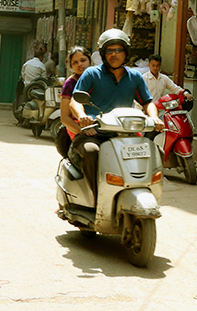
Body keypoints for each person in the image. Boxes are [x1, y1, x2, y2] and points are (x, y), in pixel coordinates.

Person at [69, 29, 163, 201]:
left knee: (155, 152)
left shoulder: (134, 76)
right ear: (103, 54)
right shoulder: (92, 74)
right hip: (94, 133)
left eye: (118, 50)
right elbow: (75, 101)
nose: (114, 54)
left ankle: (148, 193)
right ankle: (98, 198)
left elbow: (148, 102)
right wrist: (82, 116)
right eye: (109, 51)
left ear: (125, 53)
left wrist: (154, 117)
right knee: (91, 151)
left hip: (125, 134)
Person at [58, 46, 92, 157]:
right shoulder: (70, 84)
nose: (80, 65)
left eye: (83, 60)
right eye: (75, 63)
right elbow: (65, 118)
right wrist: (82, 130)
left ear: (89, 61)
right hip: (78, 126)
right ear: (71, 66)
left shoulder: (98, 79)